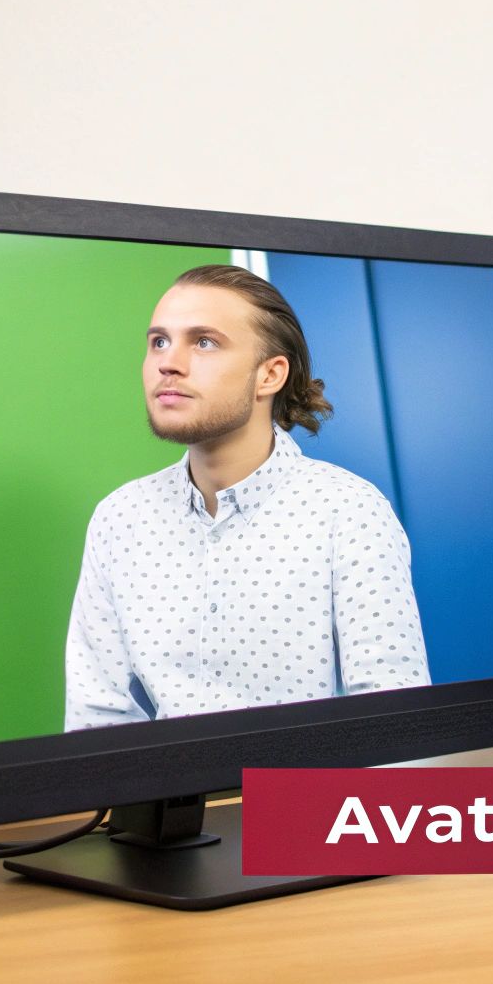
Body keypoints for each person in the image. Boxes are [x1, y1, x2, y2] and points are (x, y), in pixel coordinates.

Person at [64, 264, 430, 730]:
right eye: (159, 341)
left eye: (204, 342)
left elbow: (393, 716)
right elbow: (98, 716)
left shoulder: (348, 511)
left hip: (308, 800)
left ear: (270, 375)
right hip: (170, 802)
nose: (167, 363)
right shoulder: (120, 518)